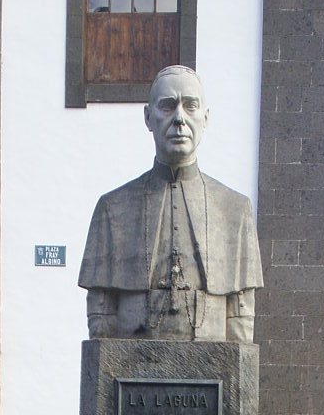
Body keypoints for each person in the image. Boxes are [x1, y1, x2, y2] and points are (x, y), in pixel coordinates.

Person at [79, 65, 263, 342]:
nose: (179, 118)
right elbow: (102, 326)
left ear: (205, 118)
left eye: (190, 106)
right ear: (148, 117)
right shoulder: (112, 209)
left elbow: (240, 330)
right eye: (167, 106)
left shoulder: (235, 211)